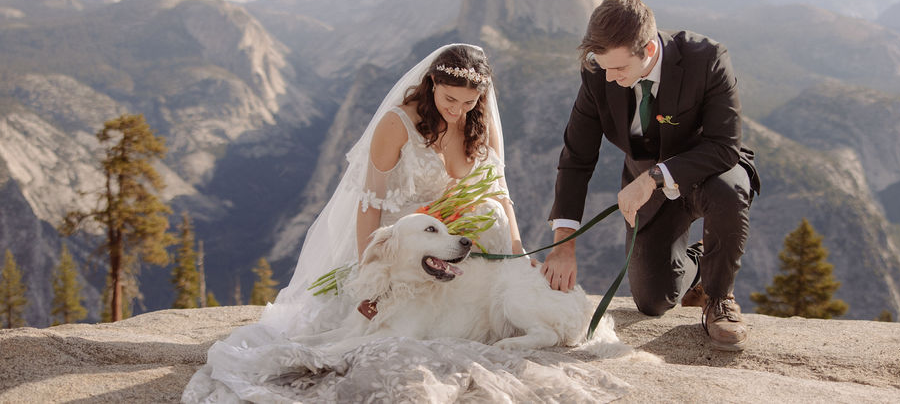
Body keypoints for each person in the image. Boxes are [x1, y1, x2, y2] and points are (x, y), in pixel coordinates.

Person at [186, 44, 602, 402]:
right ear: (432, 85)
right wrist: (371, 265)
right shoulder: (396, 124)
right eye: (450, 100)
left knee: (489, 213)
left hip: (449, 245)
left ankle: (471, 302)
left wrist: (516, 253)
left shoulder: (477, 123)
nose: (459, 111)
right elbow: (369, 203)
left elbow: (498, 191)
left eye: (469, 102)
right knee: (357, 322)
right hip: (400, 242)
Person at [541, 0, 760, 351]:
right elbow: (577, 157)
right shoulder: (599, 72)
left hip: (711, 169)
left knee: (728, 190)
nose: (610, 78)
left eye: (619, 69)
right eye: (604, 67)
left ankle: (720, 300)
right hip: (649, 190)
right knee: (652, 300)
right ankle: (701, 261)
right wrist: (564, 243)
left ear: (648, 48)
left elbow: (724, 145)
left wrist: (654, 177)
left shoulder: (707, 59)